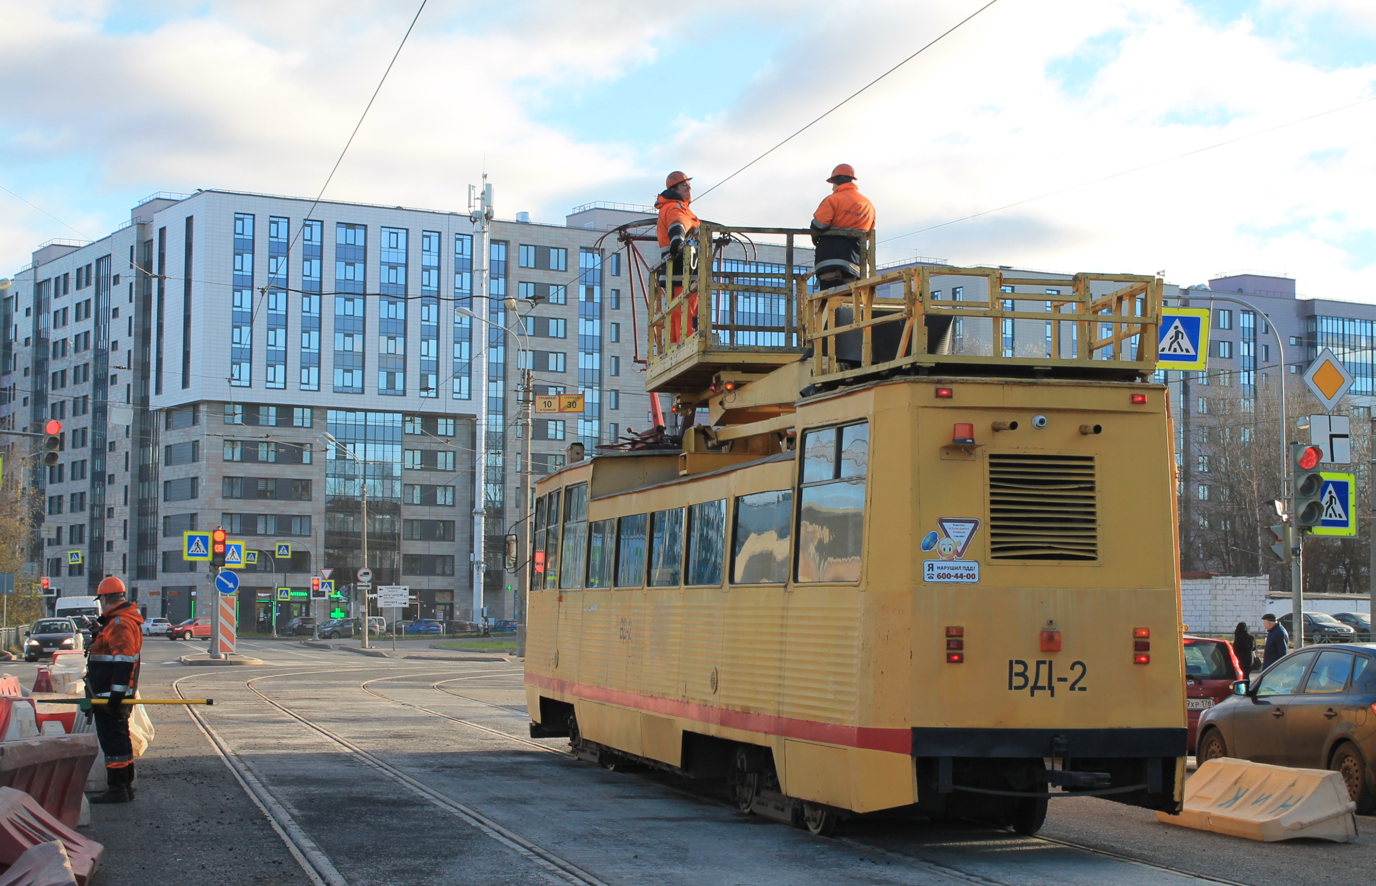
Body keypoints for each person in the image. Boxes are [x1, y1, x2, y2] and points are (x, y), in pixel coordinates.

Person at [85, 575, 144, 804]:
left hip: (109, 694)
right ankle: (124, 785)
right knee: (120, 738)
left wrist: (116, 696)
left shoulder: (120, 623)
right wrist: (99, 632)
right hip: (112, 693)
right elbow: (114, 652)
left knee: (113, 740)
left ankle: (117, 788)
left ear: (105, 599)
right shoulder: (117, 622)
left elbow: (123, 661)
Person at [810, 164, 876, 289]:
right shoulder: (868, 205)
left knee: (830, 302)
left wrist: (814, 234)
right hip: (856, 264)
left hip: (831, 260)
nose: (832, 188)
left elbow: (819, 225)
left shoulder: (833, 200)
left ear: (836, 181)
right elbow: (869, 231)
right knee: (850, 303)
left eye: (832, 184)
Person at [655, 171, 701, 343]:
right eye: (684, 185)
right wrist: (677, 239)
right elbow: (678, 223)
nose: (688, 187)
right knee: (685, 310)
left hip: (679, 270)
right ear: (674, 189)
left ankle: (676, 343)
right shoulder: (676, 207)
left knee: (679, 311)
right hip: (681, 269)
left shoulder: (677, 207)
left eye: (689, 184)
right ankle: (686, 343)